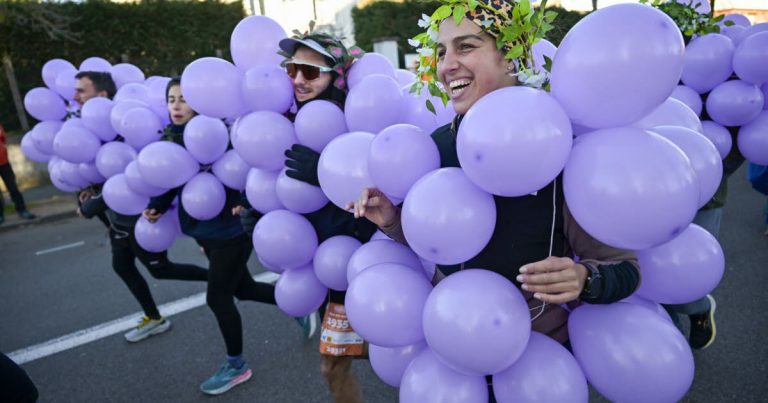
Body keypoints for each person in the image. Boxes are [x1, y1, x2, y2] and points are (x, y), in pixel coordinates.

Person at [350, 4, 640, 398]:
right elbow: (436, 243)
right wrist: (392, 221)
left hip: (537, 366)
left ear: (511, 58)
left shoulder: (559, 149)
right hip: (450, 351)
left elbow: (623, 268)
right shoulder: (436, 148)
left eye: (466, 47)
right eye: (441, 52)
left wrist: (584, 279)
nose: (447, 65)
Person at [143, 78, 312, 396]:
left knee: (217, 297)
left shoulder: (218, 134)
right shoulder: (172, 138)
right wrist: (157, 206)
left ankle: (237, 365)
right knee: (244, 289)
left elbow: (246, 170)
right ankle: (299, 306)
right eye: (171, 99)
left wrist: (245, 201)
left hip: (231, 231)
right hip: (204, 230)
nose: (176, 105)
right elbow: (175, 179)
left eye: (183, 99)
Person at [277, 33, 376, 403]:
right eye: (291, 69)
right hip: (321, 269)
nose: (297, 79)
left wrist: (327, 172)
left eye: (310, 71)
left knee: (391, 353)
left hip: (362, 264)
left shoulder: (358, 122)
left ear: (336, 76)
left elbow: (381, 202)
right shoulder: (286, 120)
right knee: (333, 365)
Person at [77, 77, 209, 343]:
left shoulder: (129, 124)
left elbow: (134, 174)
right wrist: (92, 191)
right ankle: (154, 317)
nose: (76, 96)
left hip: (139, 219)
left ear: (101, 95)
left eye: (82, 91)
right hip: (119, 220)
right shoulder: (90, 128)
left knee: (161, 270)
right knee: (122, 266)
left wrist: (92, 205)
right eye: (171, 100)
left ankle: (221, 280)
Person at [0, 123, 36, 225]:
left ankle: (22, 210)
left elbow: (3, 138)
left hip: (4, 162)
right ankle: (0, 215)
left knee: (12, 187)